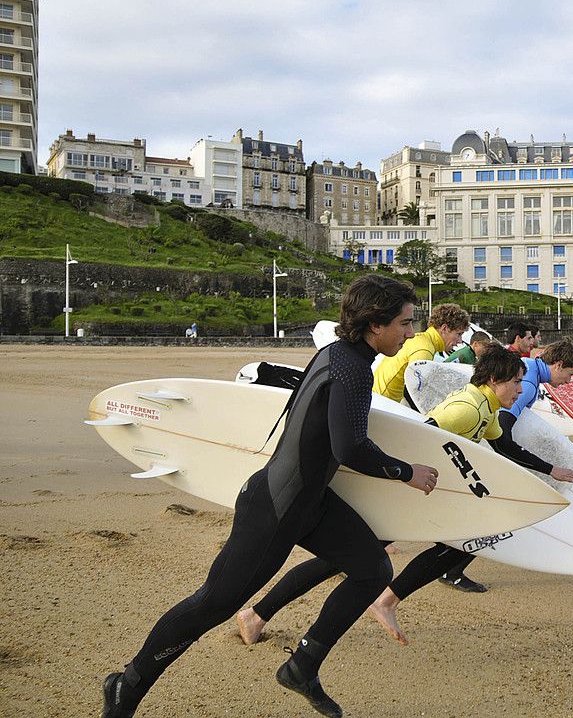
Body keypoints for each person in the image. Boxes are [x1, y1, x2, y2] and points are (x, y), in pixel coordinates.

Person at [101, 274, 439, 718]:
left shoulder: (338, 354)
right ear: (375, 324)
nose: (410, 333)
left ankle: (303, 665)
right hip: (277, 508)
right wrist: (405, 472)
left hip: (309, 500)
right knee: (213, 604)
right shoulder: (353, 369)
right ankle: (128, 684)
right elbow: (350, 447)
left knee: (371, 568)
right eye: (405, 323)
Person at [234, 346, 530, 646]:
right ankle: (260, 614)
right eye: (516, 382)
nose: (520, 390)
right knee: (344, 559)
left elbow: (503, 447)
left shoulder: (487, 407)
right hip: (404, 491)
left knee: (457, 544)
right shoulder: (466, 408)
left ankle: (263, 614)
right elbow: (421, 437)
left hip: (421, 492)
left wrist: (550, 471)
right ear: (494, 379)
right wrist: (404, 483)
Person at [439, 339, 573, 592]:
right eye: (570, 375)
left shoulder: (526, 368)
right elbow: (504, 430)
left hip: (468, 451)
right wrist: (542, 468)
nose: (568, 382)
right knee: (494, 515)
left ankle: (443, 561)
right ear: (559, 364)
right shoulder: (527, 384)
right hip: (470, 456)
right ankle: (451, 569)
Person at [372, 303, 470, 406]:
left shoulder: (421, 339)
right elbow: (415, 393)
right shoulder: (425, 349)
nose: (460, 341)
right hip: (383, 405)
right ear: (444, 328)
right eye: (459, 334)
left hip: (380, 401)